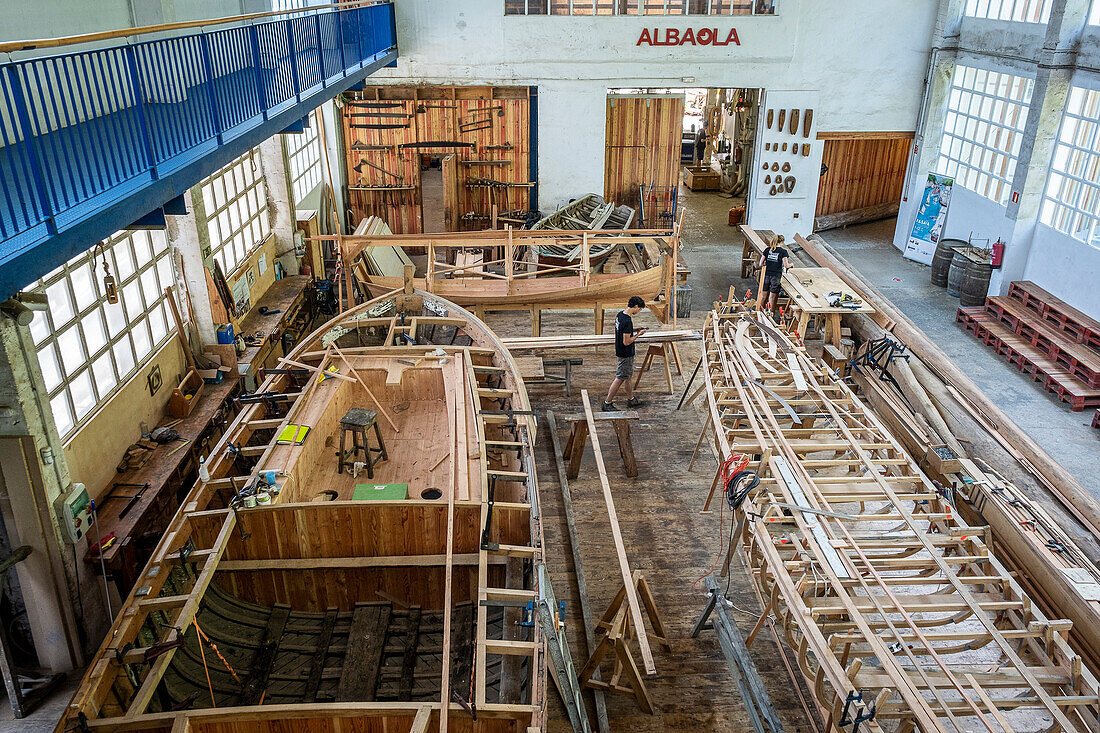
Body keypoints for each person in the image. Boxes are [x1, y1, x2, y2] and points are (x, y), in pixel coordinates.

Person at [603, 296, 647, 411]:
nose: (639, 311)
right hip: (625, 353)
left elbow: (623, 331)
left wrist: (635, 329)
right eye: (640, 309)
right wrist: (638, 334)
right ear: (636, 306)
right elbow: (627, 341)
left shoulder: (620, 315)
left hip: (620, 350)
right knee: (620, 378)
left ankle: (631, 399)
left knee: (628, 377)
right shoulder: (627, 320)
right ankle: (607, 403)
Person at [756, 234, 792, 312]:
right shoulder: (783, 252)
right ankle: (770, 315)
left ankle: (759, 312)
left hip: (766, 275)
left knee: (763, 296)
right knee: (772, 297)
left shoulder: (767, 250)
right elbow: (786, 265)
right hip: (775, 276)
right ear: (782, 242)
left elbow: (760, 264)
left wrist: (768, 263)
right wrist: (791, 265)